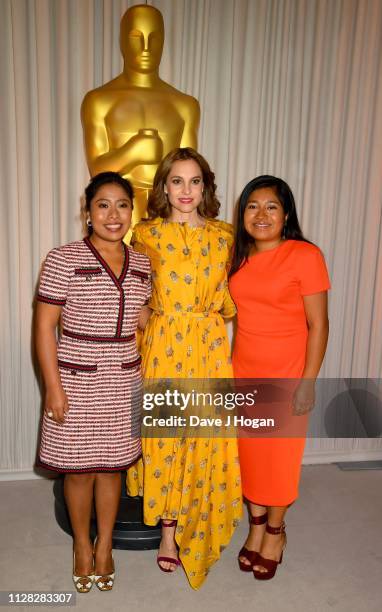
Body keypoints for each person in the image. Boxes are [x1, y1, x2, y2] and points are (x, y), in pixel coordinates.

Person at [127, 147, 242, 589]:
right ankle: (169, 535)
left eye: (195, 181)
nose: (186, 190)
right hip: (163, 347)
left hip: (209, 347)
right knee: (166, 439)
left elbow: (239, 295)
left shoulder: (225, 236)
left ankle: (201, 518)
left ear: (206, 186)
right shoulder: (146, 234)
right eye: (177, 181)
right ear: (163, 186)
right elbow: (135, 295)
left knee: (203, 439)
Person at [35, 172, 151, 593]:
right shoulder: (62, 259)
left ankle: (106, 548)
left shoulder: (142, 262)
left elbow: (142, 318)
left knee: (112, 469)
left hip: (124, 379)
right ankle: (82, 546)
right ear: (87, 212)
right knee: (79, 471)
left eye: (122, 204)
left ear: (131, 212)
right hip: (76, 377)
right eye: (103, 204)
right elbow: (44, 327)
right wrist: (53, 386)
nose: (113, 214)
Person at [228, 175, 330, 580]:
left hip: (287, 372)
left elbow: (319, 325)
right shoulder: (238, 256)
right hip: (244, 369)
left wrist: (308, 381)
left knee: (280, 459)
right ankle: (254, 528)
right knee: (250, 456)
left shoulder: (305, 255)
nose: (261, 214)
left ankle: (275, 531)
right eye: (252, 206)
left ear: (286, 213)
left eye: (271, 206)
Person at [81, 4, 200, 225]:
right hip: (119, 214)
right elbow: (97, 170)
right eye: (137, 37)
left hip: (168, 215)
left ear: (164, 41)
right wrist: (132, 152)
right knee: (117, 260)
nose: (146, 47)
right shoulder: (99, 100)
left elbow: (189, 173)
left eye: (154, 38)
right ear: (122, 41)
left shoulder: (185, 105)